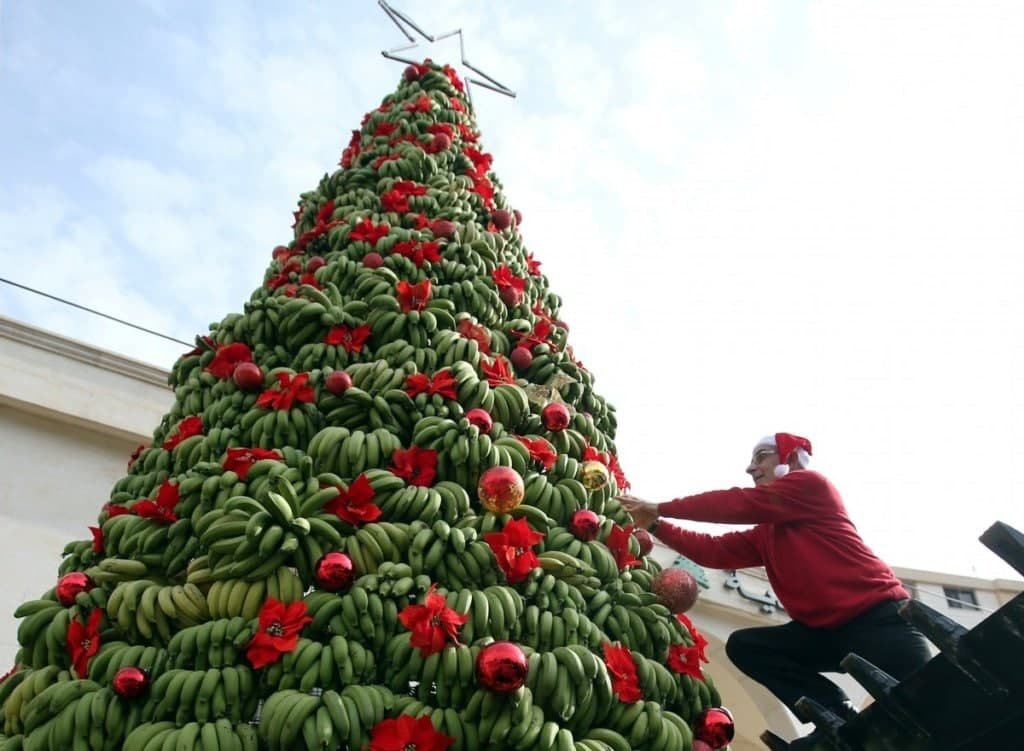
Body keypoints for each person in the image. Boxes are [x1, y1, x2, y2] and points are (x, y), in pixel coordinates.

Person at [619, 432, 931, 750]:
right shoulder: (766, 535)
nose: (750, 469)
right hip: (826, 636)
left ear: (791, 458)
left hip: (881, 623)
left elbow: (736, 504)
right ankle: (832, 711)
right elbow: (713, 551)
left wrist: (661, 507)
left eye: (761, 456)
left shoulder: (811, 486)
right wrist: (655, 524)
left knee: (935, 713)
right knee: (747, 646)